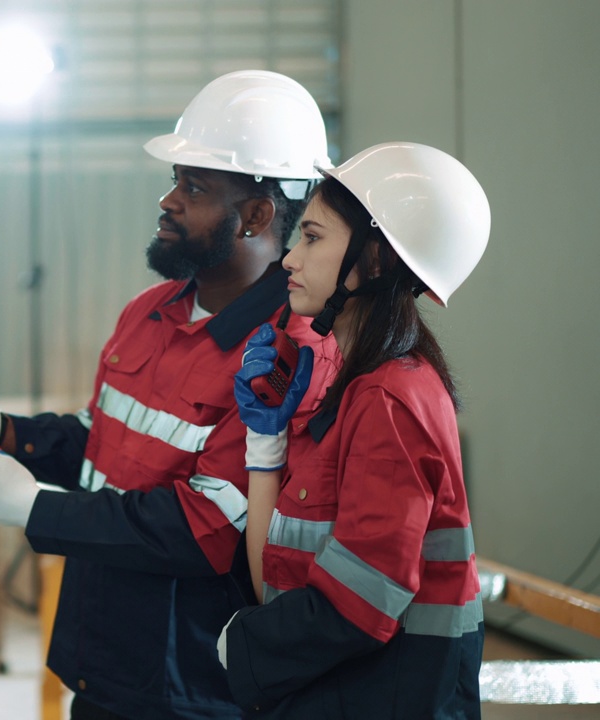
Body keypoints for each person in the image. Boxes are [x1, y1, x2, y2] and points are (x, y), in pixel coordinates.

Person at [0, 70, 338, 719]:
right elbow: (101, 437)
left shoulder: (284, 354)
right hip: (101, 661)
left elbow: (204, 529)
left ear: (258, 215)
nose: (168, 201)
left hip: (188, 687)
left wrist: (37, 510)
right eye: (175, 180)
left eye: (195, 187)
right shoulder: (149, 312)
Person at [222, 142, 489, 718]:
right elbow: (280, 573)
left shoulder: (389, 397)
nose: (290, 259)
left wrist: (241, 644)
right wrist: (265, 442)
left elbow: (359, 604)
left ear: (376, 258)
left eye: (313, 238)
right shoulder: (357, 385)